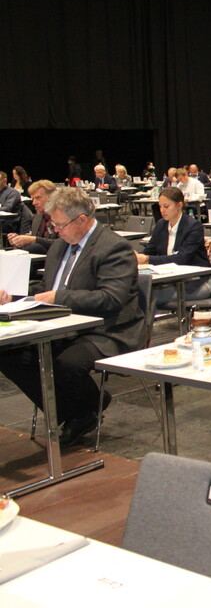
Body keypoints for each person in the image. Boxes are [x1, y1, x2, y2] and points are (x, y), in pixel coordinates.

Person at [0, 187, 143, 447]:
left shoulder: (114, 248)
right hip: (63, 326)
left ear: (81, 220)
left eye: (60, 225)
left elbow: (110, 299)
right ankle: (78, 411)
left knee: (65, 363)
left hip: (107, 330)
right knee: (10, 355)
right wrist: (14, 296)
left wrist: (59, 298)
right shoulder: (60, 247)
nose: (56, 230)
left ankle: (91, 403)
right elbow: (46, 290)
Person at [135, 187, 211, 307]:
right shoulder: (161, 224)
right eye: (160, 207)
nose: (162, 210)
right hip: (169, 280)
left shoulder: (193, 227)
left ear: (179, 205)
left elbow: (181, 259)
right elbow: (149, 250)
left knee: (145, 294)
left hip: (195, 282)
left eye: (166, 206)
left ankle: (145, 326)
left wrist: (146, 259)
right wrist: (136, 257)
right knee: (134, 291)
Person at [6, 179, 59, 254]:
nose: (34, 203)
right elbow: (37, 239)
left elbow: (63, 244)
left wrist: (33, 239)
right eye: (32, 199)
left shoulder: (62, 218)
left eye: (38, 198)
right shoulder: (38, 217)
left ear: (52, 197)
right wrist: (19, 239)